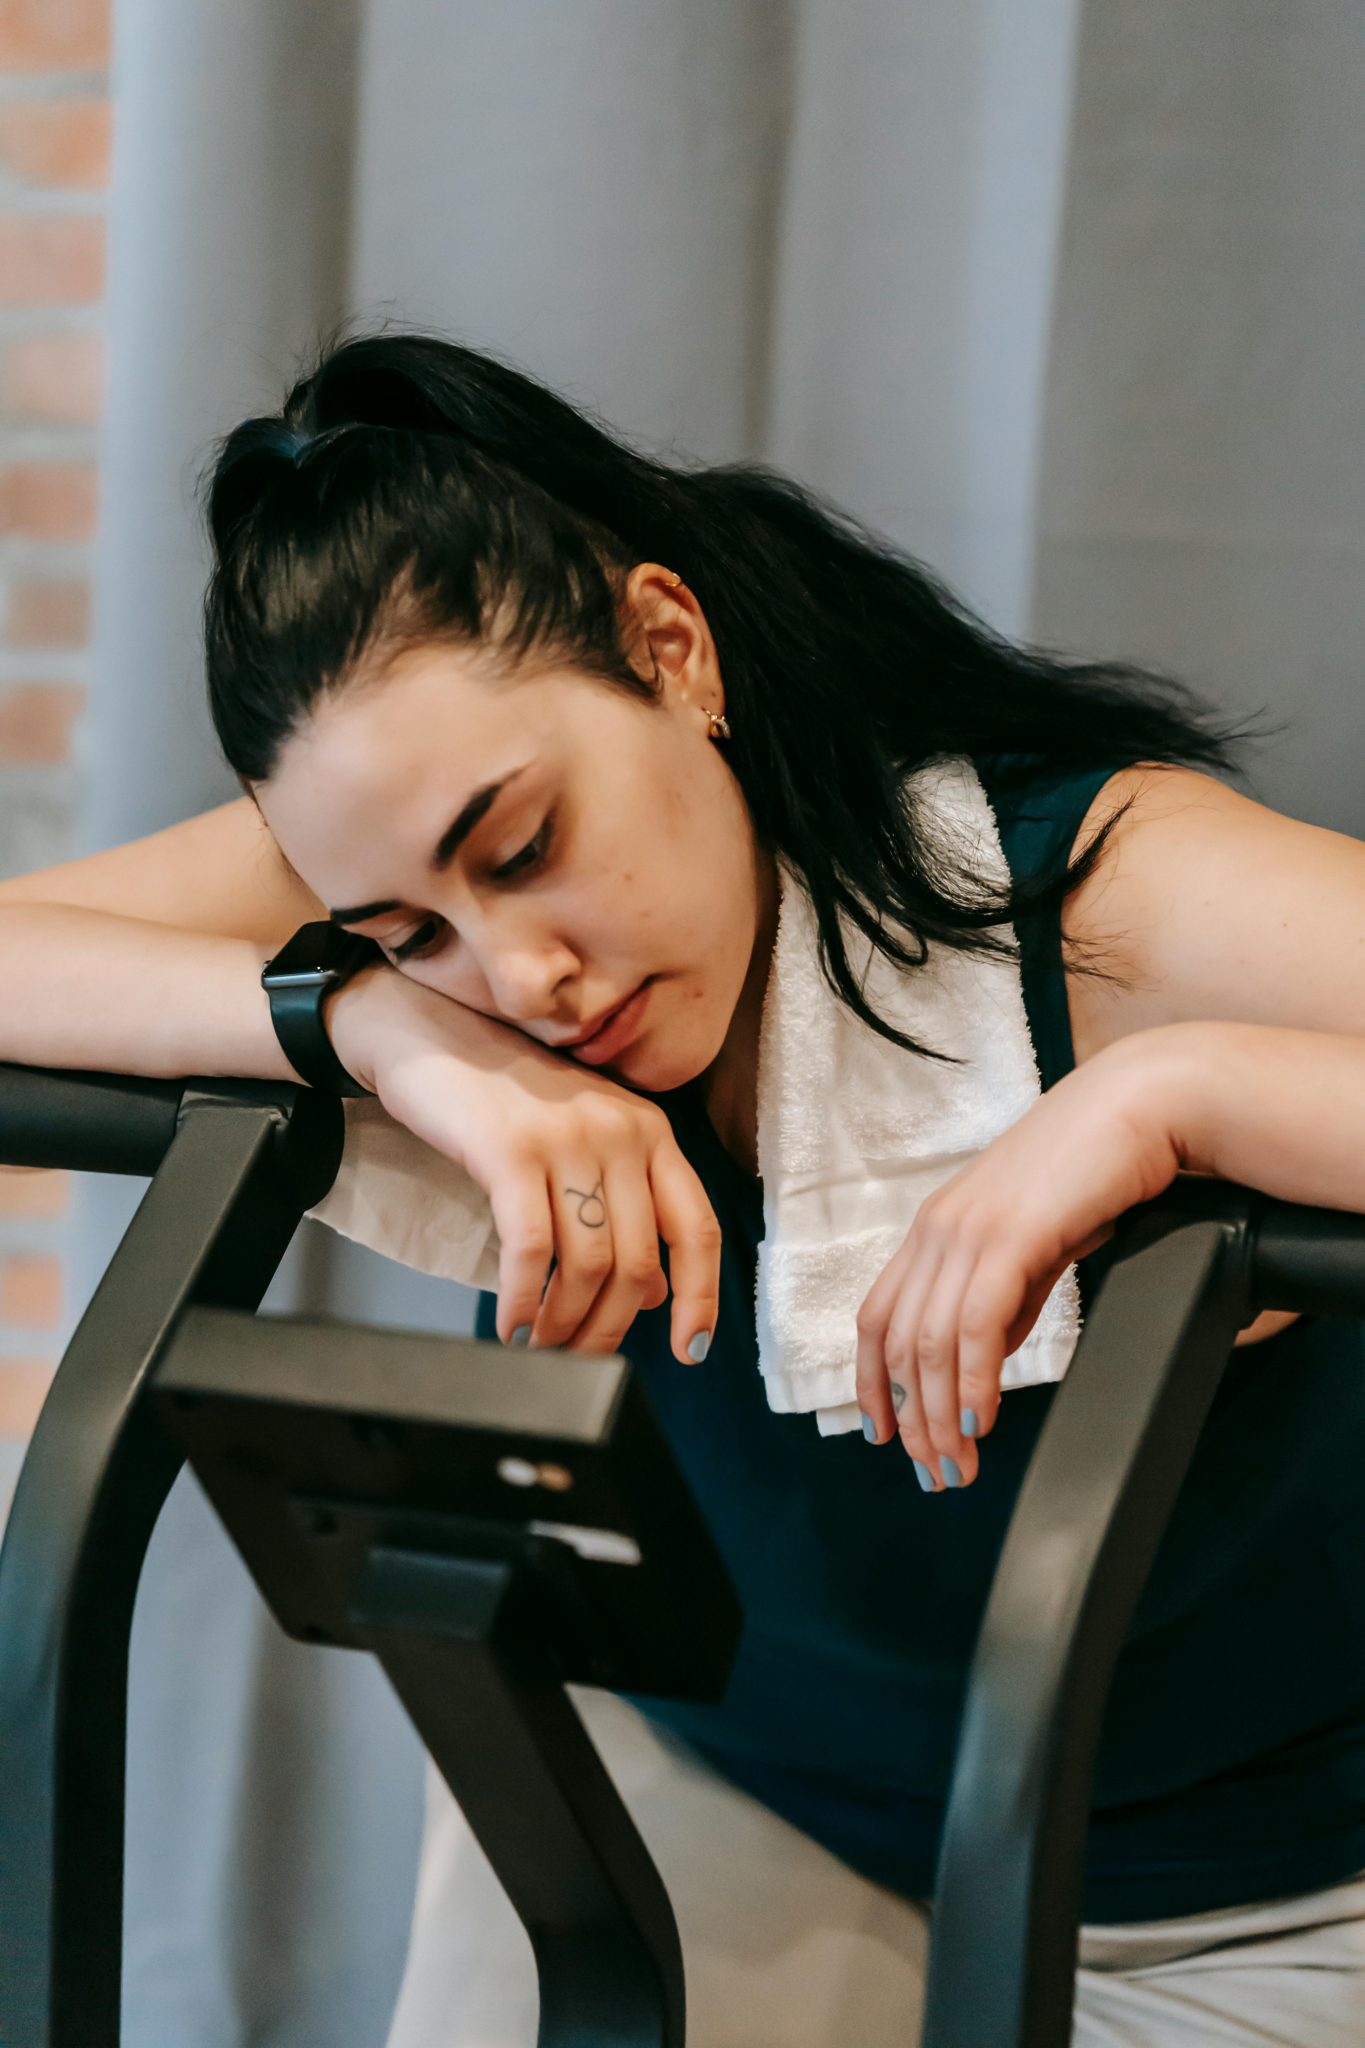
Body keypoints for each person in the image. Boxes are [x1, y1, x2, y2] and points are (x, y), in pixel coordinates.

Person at [4, 332, 1365, 2046]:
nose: (527, 977)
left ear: (671, 647)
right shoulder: (408, 898)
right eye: (416, 927)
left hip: (1252, 1894)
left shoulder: (1106, 895)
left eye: (526, 849)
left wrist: (1182, 1091)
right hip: (742, 1787)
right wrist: (371, 1026)